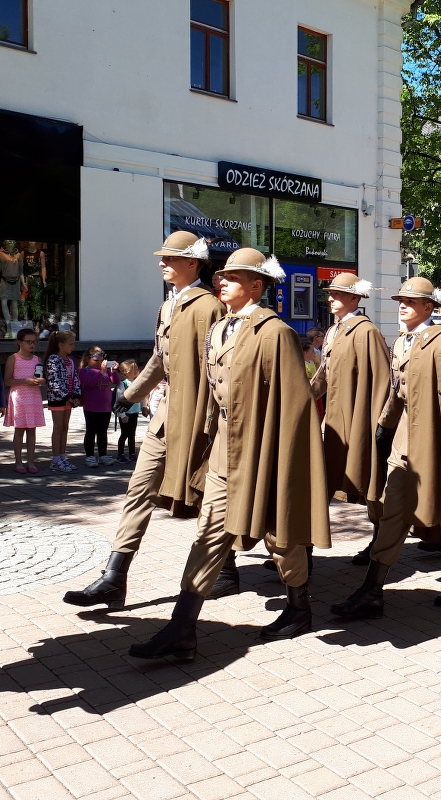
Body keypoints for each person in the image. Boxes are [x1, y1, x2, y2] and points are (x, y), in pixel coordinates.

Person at [128, 249, 331, 660]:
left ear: (256, 286)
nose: (222, 281)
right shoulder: (219, 327)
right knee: (209, 533)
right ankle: (182, 629)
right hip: (224, 450)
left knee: (279, 535)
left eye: (233, 277)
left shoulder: (274, 333)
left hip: (263, 449)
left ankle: (299, 608)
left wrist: (285, 462)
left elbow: (295, 403)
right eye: (221, 276)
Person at [64, 233, 225, 609]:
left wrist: (211, 422)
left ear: (192, 263)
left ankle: (247, 569)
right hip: (166, 418)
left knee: (207, 495)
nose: (161, 263)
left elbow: (218, 368)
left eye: (170, 257)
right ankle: (113, 577)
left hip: (198, 418)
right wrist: (131, 394)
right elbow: (159, 359)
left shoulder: (209, 307)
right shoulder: (168, 306)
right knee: (139, 490)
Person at [330, 278, 441, 619]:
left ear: (429, 307)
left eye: (411, 301)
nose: (403, 306)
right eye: (400, 301)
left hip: (437, 441)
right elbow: (397, 390)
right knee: (392, 510)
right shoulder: (401, 342)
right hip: (404, 440)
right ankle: (372, 590)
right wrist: (383, 426)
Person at [309, 272, 390, 566]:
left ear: (354, 298)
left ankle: (381, 543)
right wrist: (302, 397)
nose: (330, 299)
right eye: (330, 294)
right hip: (332, 424)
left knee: (369, 484)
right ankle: (303, 550)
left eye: (337, 294)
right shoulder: (333, 331)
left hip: (359, 423)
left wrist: (379, 426)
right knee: (320, 484)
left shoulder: (366, 332)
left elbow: (381, 381)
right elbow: (324, 375)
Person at [3, 328, 46, 473]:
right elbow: (7, 381)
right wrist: (25, 381)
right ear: (19, 342)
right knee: (20, 430)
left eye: (35, 342)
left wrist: (42, 381)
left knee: (32, 430)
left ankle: (31, 462)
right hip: (19, 398)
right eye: (29, 342)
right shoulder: (13, 358)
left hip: (33, 397)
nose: (32, 344)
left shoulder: (37, 359)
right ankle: (18, 462)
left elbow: (42, 377)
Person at [78, 346, 121, 467]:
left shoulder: (106, 371)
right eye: (96, 360)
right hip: (91, 407)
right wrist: (101, 373)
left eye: (101, 361)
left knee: (103, 431)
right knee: (91, 431)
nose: (99, 363)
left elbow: (116, 381)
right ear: (87, 359)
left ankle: (103, 454)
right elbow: (89, 383)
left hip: (105, 407)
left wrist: (114, 371)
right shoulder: (84, 371)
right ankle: (90, 456)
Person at [44, 330, 81, 471]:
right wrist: (67, 397)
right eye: (70, 344)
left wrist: (76, 395)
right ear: (60, 344)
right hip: (58, 399)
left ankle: (62, 457)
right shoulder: (53, 359)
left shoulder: (70, 360)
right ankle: (55, 460)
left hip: (69, 399)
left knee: (65, 428)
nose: (73, 347)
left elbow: (75, 378)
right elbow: (54, 381)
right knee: (58, 428)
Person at [116, 359, 143, 462]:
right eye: (135, 368)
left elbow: (141, 395)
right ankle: (120, 453)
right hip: (125, 413)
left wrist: (143, 407)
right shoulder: (123, 384)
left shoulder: (137, 383)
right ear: (128, 372)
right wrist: (122, 415)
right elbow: (119, 400)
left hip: (134, 412)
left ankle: (132, 453)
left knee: (132, 433)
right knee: (124, 433)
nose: (138, 370)